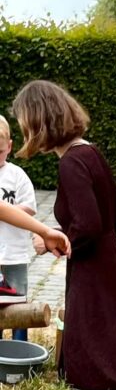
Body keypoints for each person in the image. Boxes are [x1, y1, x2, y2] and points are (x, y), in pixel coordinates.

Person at [11, 80, 116, 390]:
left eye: (25, 124)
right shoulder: (89, 152)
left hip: (94, 276)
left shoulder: (71, 163)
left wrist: (54, 239)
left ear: (40, 122)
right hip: (114, 268)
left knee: (101, 375)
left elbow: (88, 225)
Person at [0, 115, 38, 334]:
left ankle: (19, 349)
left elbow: (30, 207)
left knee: (18, 304)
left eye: (0, 152)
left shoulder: (17, 176)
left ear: (10, 146)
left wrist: (7, 213)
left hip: (14, 255)